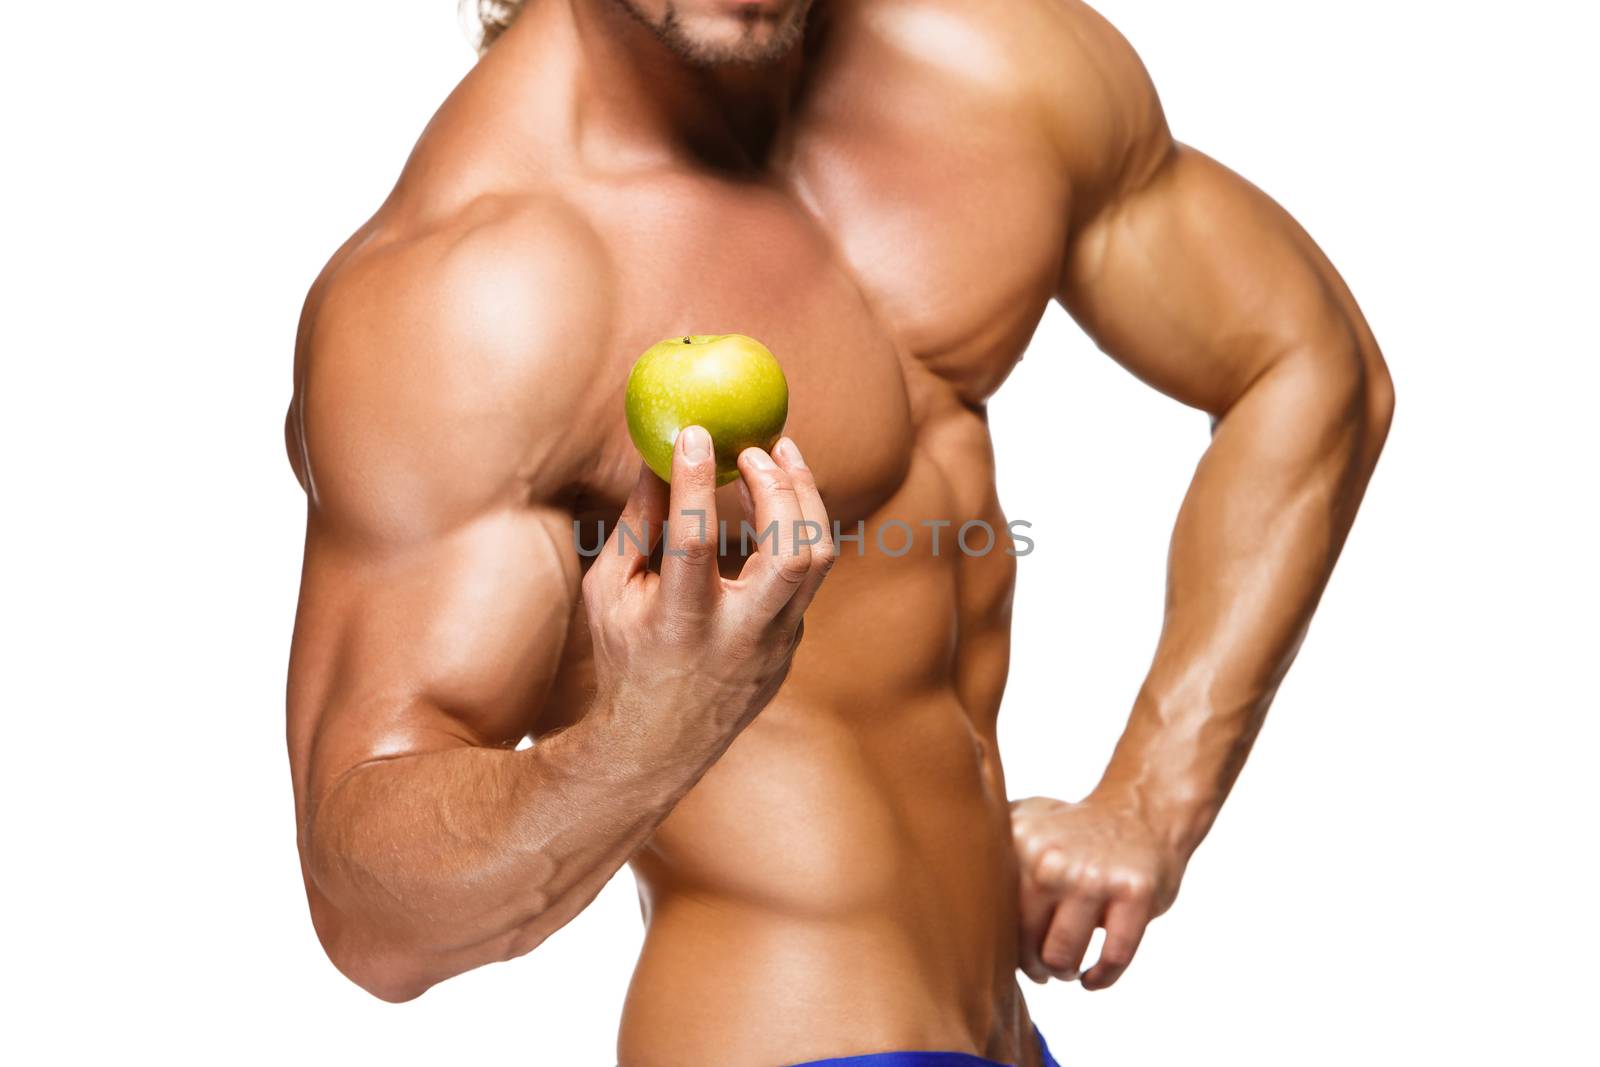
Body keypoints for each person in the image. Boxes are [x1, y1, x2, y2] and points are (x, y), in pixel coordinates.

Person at [283, 1, 1393, 1064]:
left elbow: (1307, 366)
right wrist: (641, 740)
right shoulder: (477, 290)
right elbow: (368, 910)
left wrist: (1152, 796)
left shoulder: (1002, 72)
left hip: (1005, 1031)